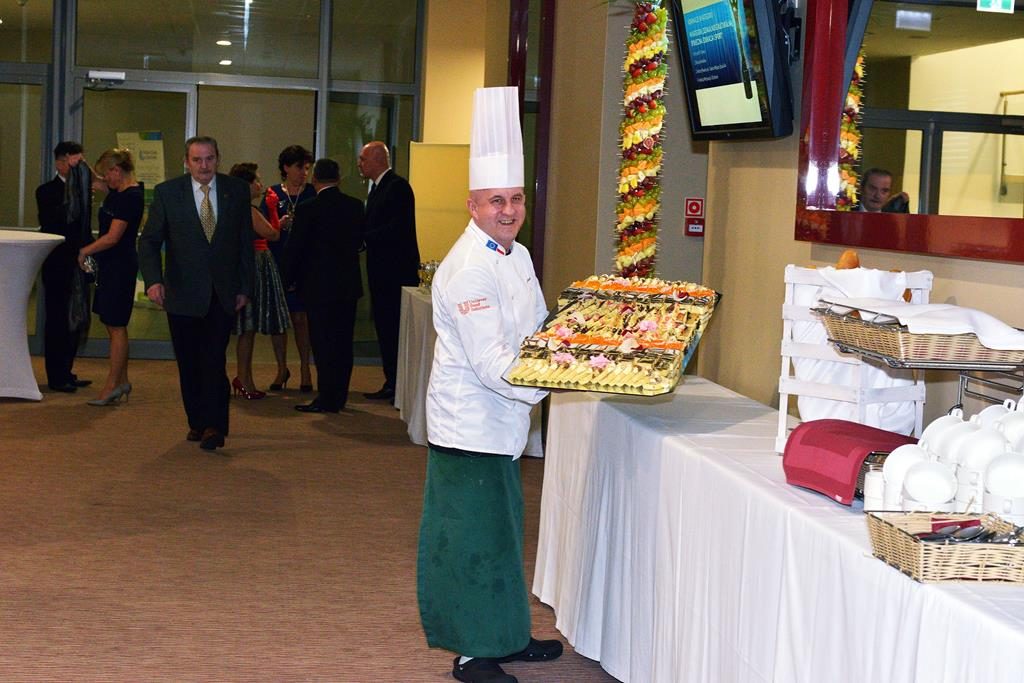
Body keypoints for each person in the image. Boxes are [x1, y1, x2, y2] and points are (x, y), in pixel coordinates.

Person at [417, 87, 561, 683]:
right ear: (472, 205)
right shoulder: (468, 268)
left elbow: (539, 326)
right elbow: (492, 362)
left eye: (516, 198)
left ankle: (506, 635)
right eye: (496, 200)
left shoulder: (516, 254)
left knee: (502, 535)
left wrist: (569, 345)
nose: (509, 209)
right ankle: (473, 654)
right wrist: (555, 379)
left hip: (503, 424)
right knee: (471, 543)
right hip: (470, 426)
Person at [137, 136, 255, 452]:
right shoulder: (168, 193)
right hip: (182, 292)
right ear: (186, 162)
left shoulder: (236, 191)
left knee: (214, 359)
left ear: (218, 159)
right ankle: (198, 421)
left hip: (223, 291)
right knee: (189, 362)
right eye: (197, 160)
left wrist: (245, 287)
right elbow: (149, 242)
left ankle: (215, 426)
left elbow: (245, 242)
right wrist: (153, 281)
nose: (204, 166)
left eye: (209, 159)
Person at [281, 158, 365, 414]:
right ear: (338, 179)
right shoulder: (355, 206)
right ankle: (339, 395)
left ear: (315, 179)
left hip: (317, 286)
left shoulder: (308, 209)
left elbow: (296, 249)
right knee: (343, 343)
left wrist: (287, 280)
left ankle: (327, 397)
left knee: (322, 343)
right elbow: (359, 242)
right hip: (347, 285)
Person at [76, 148, 144, 406]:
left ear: (117, 171)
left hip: (120, 266)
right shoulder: (117, 192)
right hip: (110, 265)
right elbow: (97, 181)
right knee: (111, 323)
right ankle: (122, 380)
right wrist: (82, 163)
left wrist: (85, 251)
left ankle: (113, 384)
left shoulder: (131, 197)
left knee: (116, 326)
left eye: (108, 174)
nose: (105, 180)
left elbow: (113, 237)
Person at [357, 140, 420, 402]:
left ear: (378, 159)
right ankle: (391, 380)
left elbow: (397, 228)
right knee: (385, 326)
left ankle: (398, 383)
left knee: (394, 328)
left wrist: (363, 237)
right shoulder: (377, 188)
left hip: (395, 272)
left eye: (363, 159)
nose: (360, 164)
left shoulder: (397, 187)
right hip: (382, 271)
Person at [227, 162, 291, 400]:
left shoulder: (233, 207)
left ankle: (245, 378)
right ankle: (244, 379)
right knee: (248, 327)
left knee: (248, 328)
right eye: (256, 180)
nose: (260, 185)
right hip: (255, 265)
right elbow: (272, 234)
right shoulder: (249, 210)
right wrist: (273, 210)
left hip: (248, 265)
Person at [35, 141, 94, 393]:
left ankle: (67, 370)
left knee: (76, 318)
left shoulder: (83, 190)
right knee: (58, 319)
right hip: (57, 264)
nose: (79, 169)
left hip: (78, 262)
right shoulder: (46, 191)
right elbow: (53, 222)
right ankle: (56, 376)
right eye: (75, 164)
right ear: (60, 163)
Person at [261, 145, 316, 393]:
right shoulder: (273, 193)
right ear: (286, 167)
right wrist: (278, 225)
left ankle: (305, 367)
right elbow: (262, 227)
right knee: (279, 320)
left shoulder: (312, 193)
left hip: (304, 263)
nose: (303, 173)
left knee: (301, 318)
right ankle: (281, 368)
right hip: (278, 261)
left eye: (307, 168)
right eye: (299, 167)